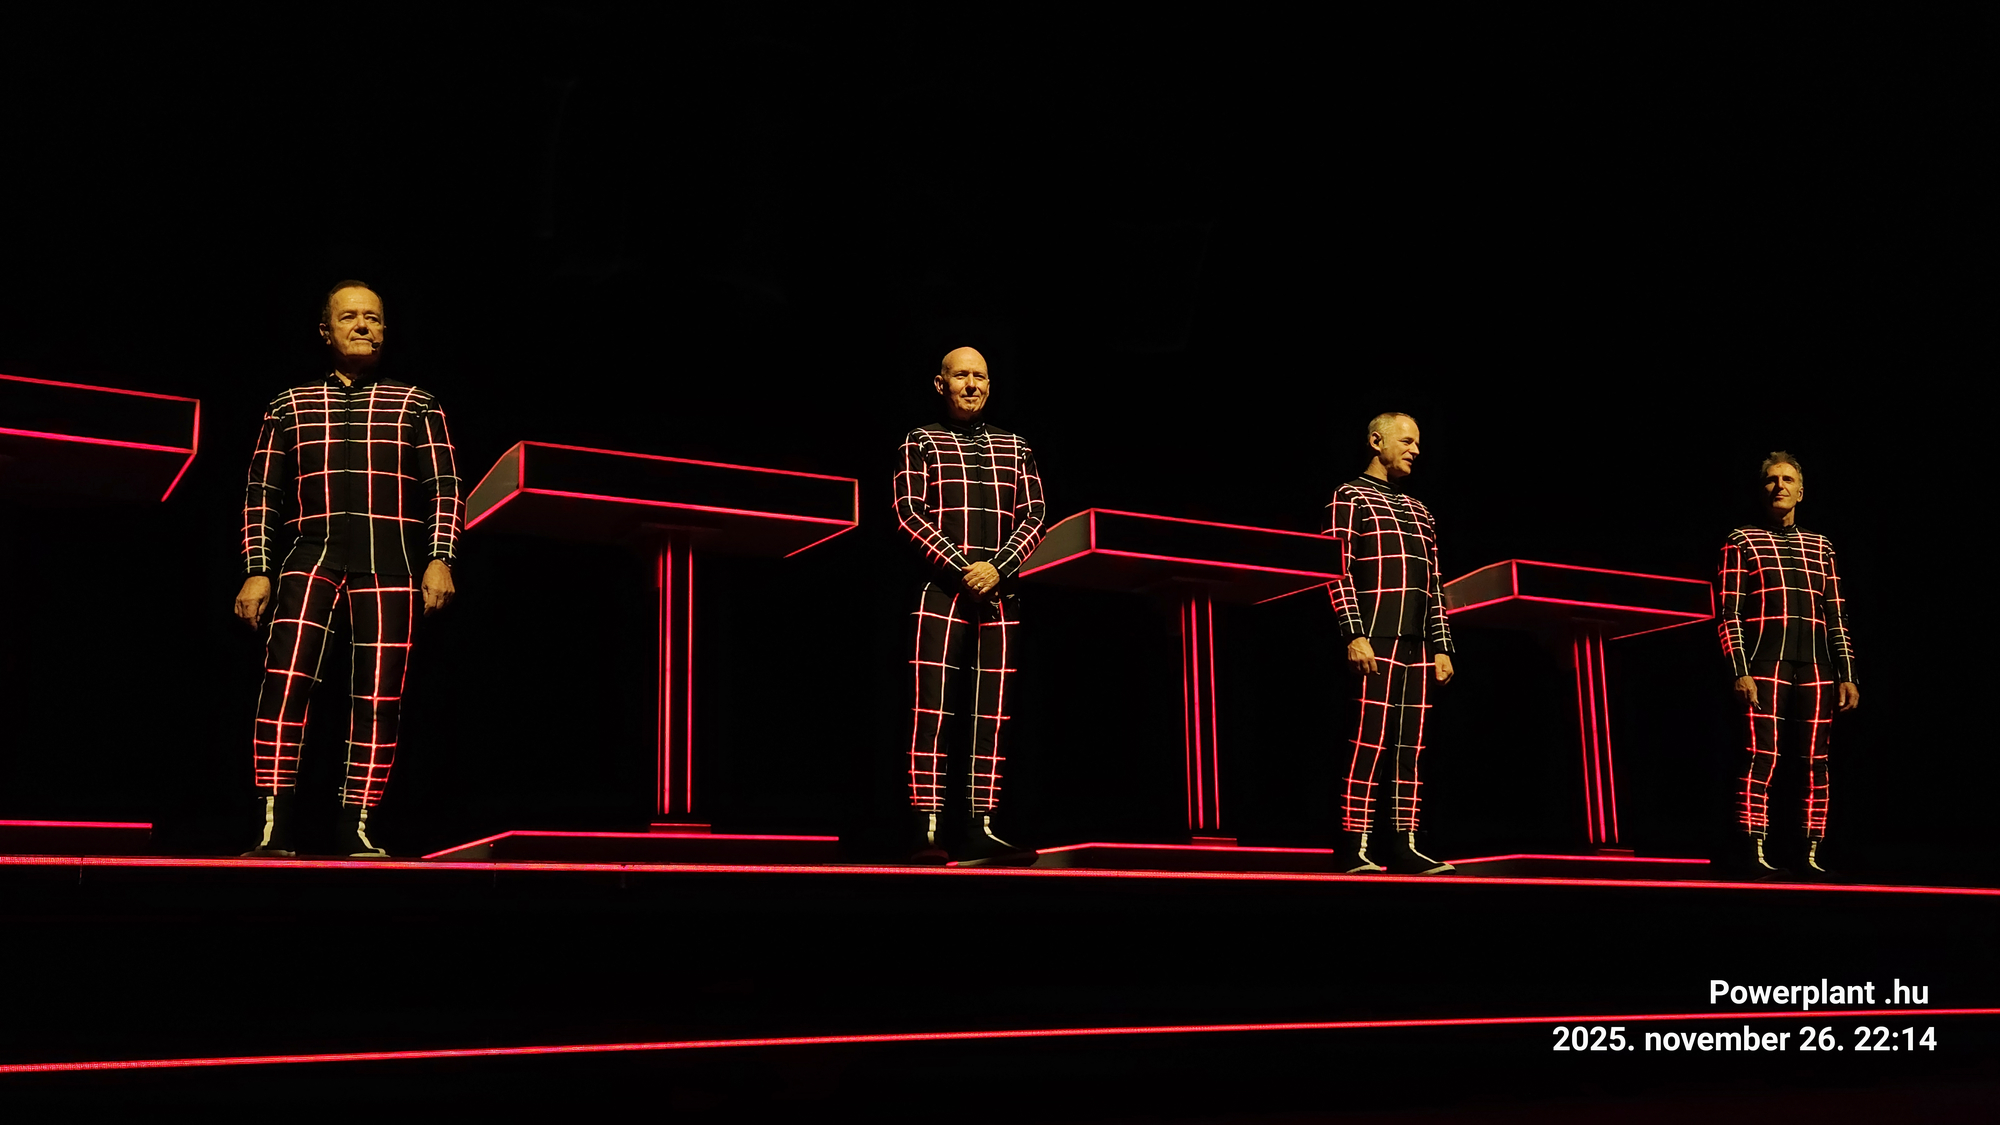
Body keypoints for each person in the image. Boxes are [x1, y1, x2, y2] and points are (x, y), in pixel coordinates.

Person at [233, 281, 462, 857]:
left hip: (390, 562)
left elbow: (444, 487)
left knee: (379, 695)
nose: (362, 326)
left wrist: (440, 557)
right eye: (349, 317)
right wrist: (257, 568)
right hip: (310, 557)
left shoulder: (416, 403)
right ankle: (272, 826)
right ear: (325, 330)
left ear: (385, 330)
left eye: (373, 318)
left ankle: (356, 824)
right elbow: (263, 492)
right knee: (284, 682)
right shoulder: (290, 405)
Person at [892, 346, 1046, 865]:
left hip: (1000, 594)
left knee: (991, 714)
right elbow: (907, 512)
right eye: (961, 375)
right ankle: (927, 830)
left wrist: (997, 568)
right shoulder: (920, 440)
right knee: (931, 709)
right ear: (941, 384)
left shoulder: (1015, 446)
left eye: (980, 376)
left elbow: (1035, 515)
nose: (972, 385)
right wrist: (964, 568)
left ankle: (983, 827)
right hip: (940, 591)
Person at [1323, 412, 1457, 874]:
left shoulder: (1421, 511)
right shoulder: (1349, 496)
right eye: (1407, 441)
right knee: (1369, 741)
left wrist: (1442, 646)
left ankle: (1405, 843)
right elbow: (1335, 570)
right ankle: (1353, 843)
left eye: (1417, 443)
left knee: (1409, 747)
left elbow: (1435, 584)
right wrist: (1353, 633)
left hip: (1417, 643)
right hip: (1374, 635)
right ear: (1377, 441)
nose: (1415, 450)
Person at [1717, 452, 1858, 878]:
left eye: (1787, 479)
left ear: (1800, 491)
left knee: (1816, 759)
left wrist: (1847, 674)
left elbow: (1836, 614)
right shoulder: (1742, 540)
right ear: (1761, 489)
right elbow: (1728, 612)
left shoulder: (1821, 546)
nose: (1779, 486)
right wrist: (1739, 669)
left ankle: (1811, 852)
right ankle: (1752, 849)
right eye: (1771, 479)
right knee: (1762, 754)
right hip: (1765, 661)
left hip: (1817, 666)